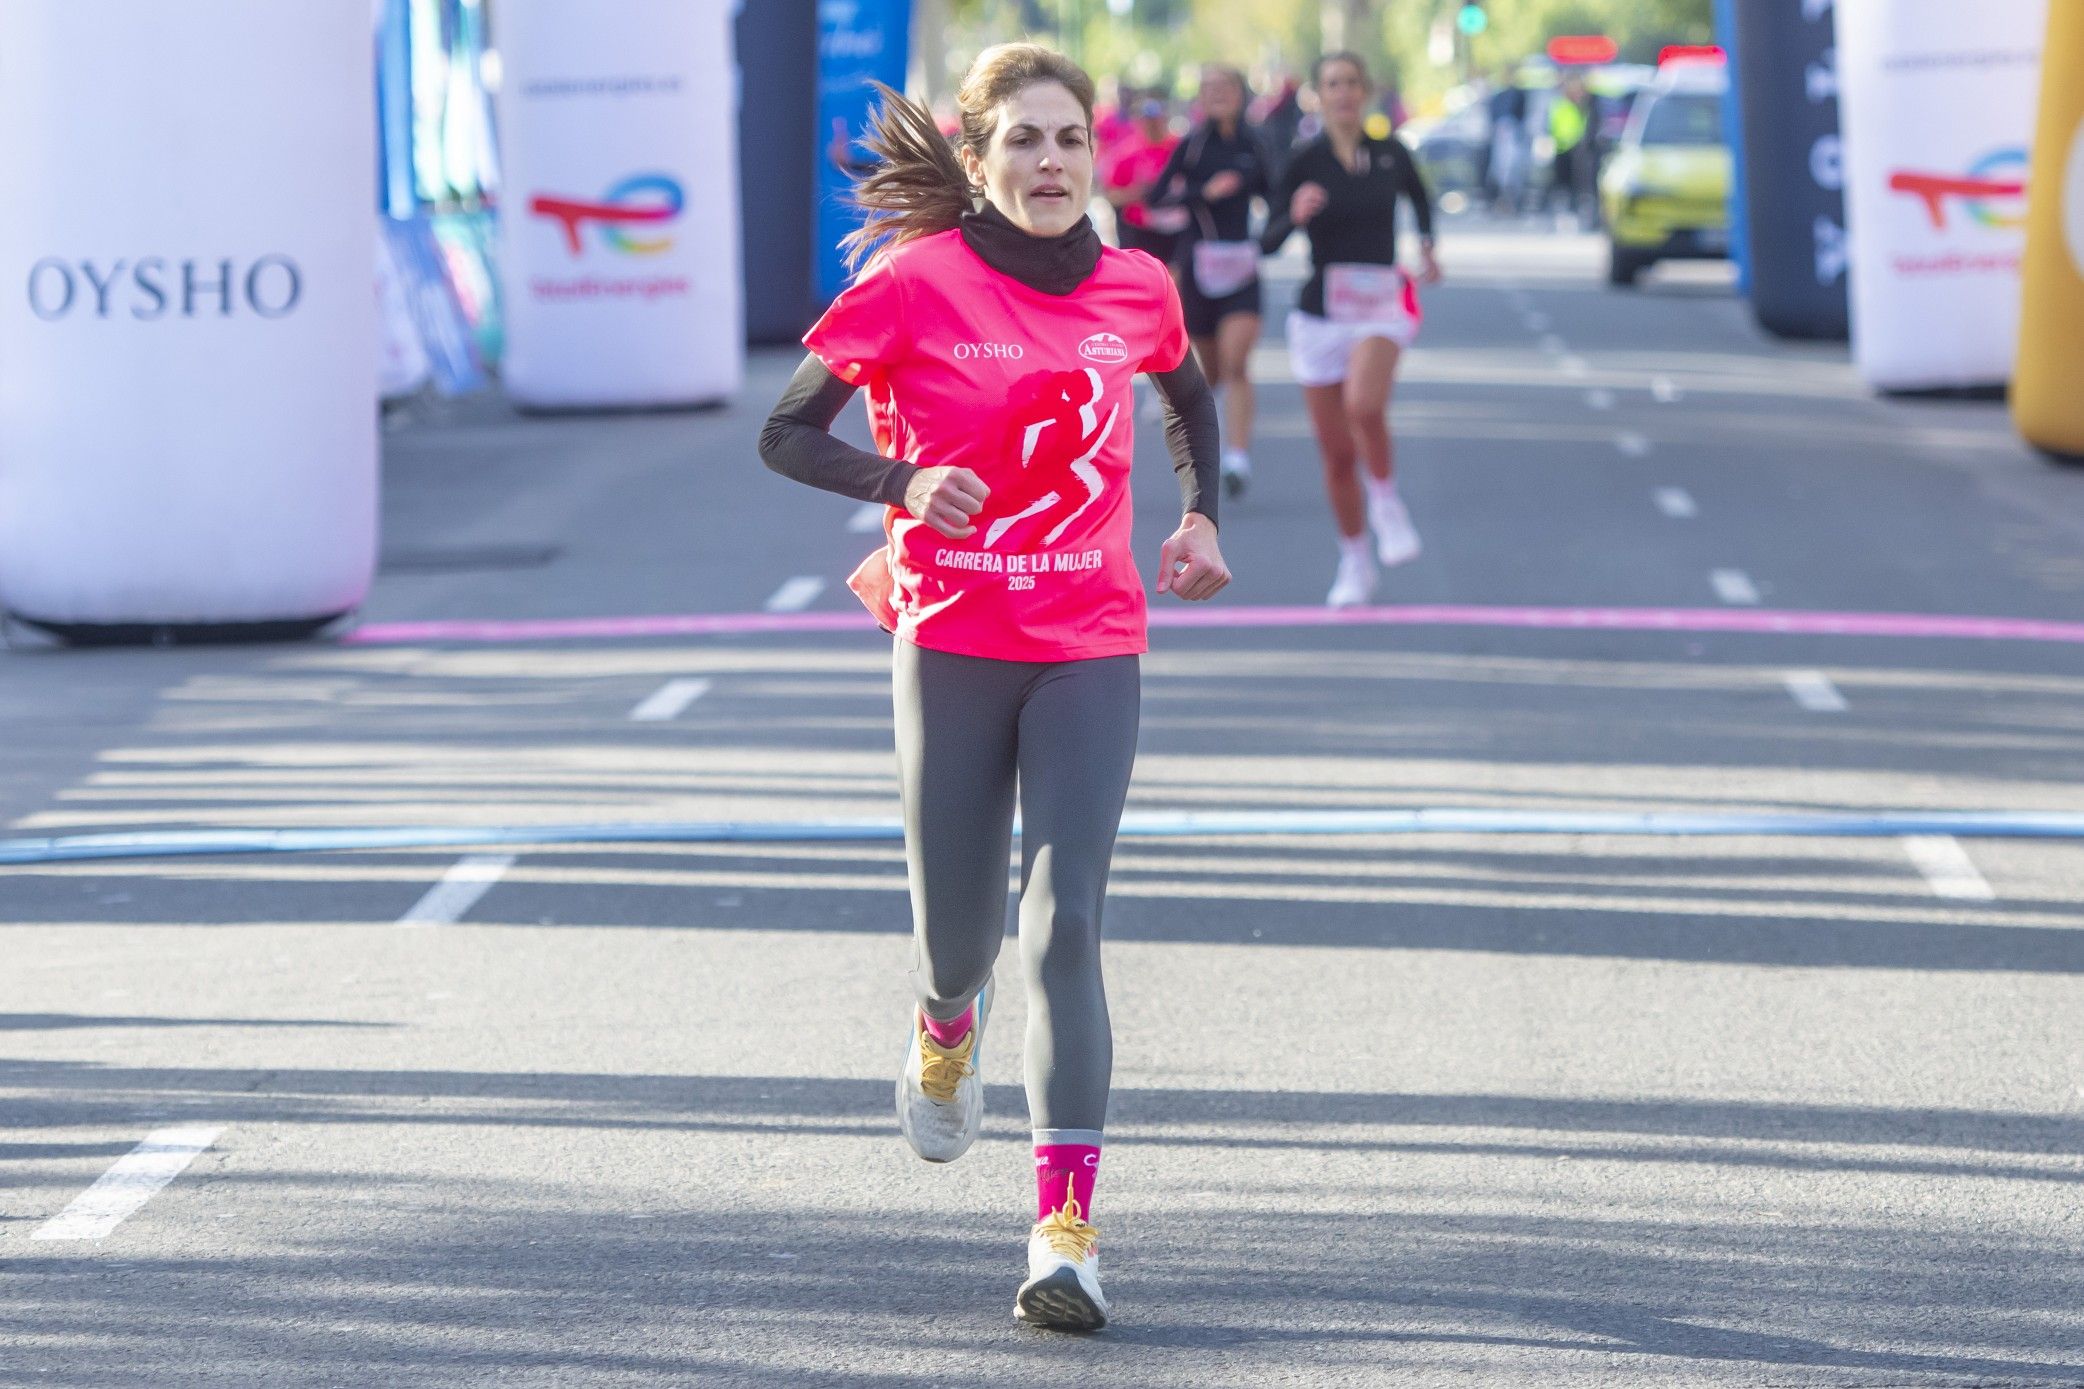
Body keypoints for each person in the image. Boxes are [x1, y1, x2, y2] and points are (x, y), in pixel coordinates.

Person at [757, 44, 1232, 1331]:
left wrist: (1197, 516)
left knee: (1064, 922)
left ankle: (1065, 1234)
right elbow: (785, 431)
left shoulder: (1134, 286)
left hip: (1088, 640)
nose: (1049, 162)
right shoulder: (913, 285)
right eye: (1021, 140)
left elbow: (1186, 400)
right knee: (958, 938)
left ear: (1094, 153)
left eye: (1067, 138)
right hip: (953, 636)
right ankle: (941, 1021)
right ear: (979, 163)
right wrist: (901, 485)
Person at [1261, 50, 1440, 607]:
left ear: (1365, 92)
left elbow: (1421, 200)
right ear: (1318, 94)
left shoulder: (1391, 152)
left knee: (1365, 406)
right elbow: (1266, 241)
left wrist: (1429, 248)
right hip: (1321, 313)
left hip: (1382, 304)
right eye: (1333, 83)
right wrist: (1294, 215)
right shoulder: (1305, 160)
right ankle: (1355, 560)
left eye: (1352, 83)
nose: (1343, 93)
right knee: (1337, 454)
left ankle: (1385, 500)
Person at [1149, 64, 1273, 496]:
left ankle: (1237, 459)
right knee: (1212, 370)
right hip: (1198, 267)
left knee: (1238, 363)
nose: (1217, 94)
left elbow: (1278, 198)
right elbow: (1157, 196)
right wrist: (1205, 192)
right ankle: (1214, 414)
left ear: (1241, 94)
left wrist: (1268, 241)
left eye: (1226, 87)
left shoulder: (1256, 144)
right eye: (1209, 88)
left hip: (1240, 267)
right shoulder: (1193, 146)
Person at [1103, 95, 1189, 260]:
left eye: (1157, 120)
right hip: (1140, 231)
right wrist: (1141, 192)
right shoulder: (1126, 153)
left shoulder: (1180, 148)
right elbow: (1112, 196)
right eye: (1148, 121)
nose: (1153, 125)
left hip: (1178, 229)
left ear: (1165, 119)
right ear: (1138, 122)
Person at [1486, 66, 1528, 215]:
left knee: (1513, 171)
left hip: (1513, 135)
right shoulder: (1499, 96)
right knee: (1499, 171)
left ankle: (1512, 202)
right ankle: (1501, 201)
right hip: (1501, 136)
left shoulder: (1518, 95)